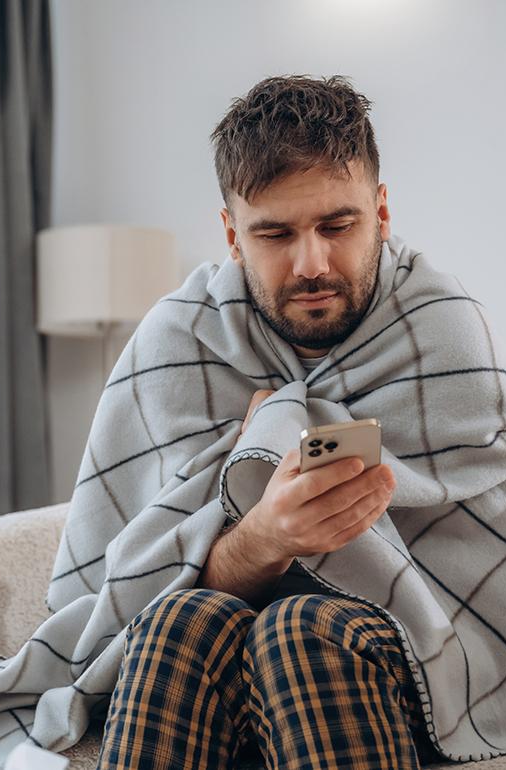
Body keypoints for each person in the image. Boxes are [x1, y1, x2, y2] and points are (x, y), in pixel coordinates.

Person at [97, 75, 448, 769]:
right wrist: (263, 537)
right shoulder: (181, 340)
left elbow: (478, 578)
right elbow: (137, 585)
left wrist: (279, 421)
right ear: (232, 234)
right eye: (275, 233)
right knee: (175, 620)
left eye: (338, 226)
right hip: (210, 648)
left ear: (382, 209)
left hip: (395, 659)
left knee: (301, 628)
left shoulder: (443, 335)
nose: (312, 263)